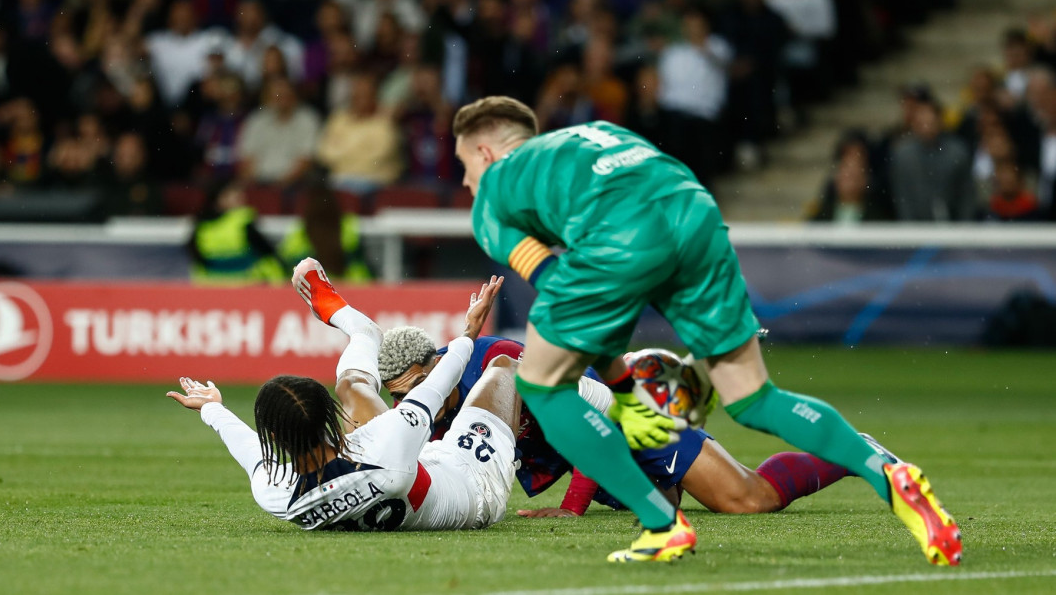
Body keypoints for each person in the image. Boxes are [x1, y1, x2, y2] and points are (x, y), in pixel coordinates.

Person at [452, 96, 961, 565]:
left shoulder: (494, 196)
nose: (465, 182)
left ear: (486, 151)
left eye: (465, 167)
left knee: (541, 381)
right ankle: (884, 470)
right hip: (695, 214)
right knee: (755, 396)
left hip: (619, 233)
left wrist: (622, 387)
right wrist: (624, 384)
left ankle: (661, 524)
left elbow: (559, 285)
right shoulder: (599, 134)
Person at [166, 261, 516, 532]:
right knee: (505, 365)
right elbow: (438, 383)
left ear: (274, 438)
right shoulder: (388, 438)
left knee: (355, 391)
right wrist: (470, 331)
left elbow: (251, 452)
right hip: (473, 488)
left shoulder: (276, 491)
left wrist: (213, 408)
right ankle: (365, 331)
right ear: (330, 417)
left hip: (401, 472)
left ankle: (362, 329)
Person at [378, 325, 865, 519]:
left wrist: (570, 510)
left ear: (433, 366)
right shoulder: (433, 402)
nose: (414, 403)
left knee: (747, 500)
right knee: (666, 503)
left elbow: (594, 417)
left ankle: (850, 451)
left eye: (414, 388)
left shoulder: (499, 364)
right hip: (603, 456)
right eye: (400, 398)